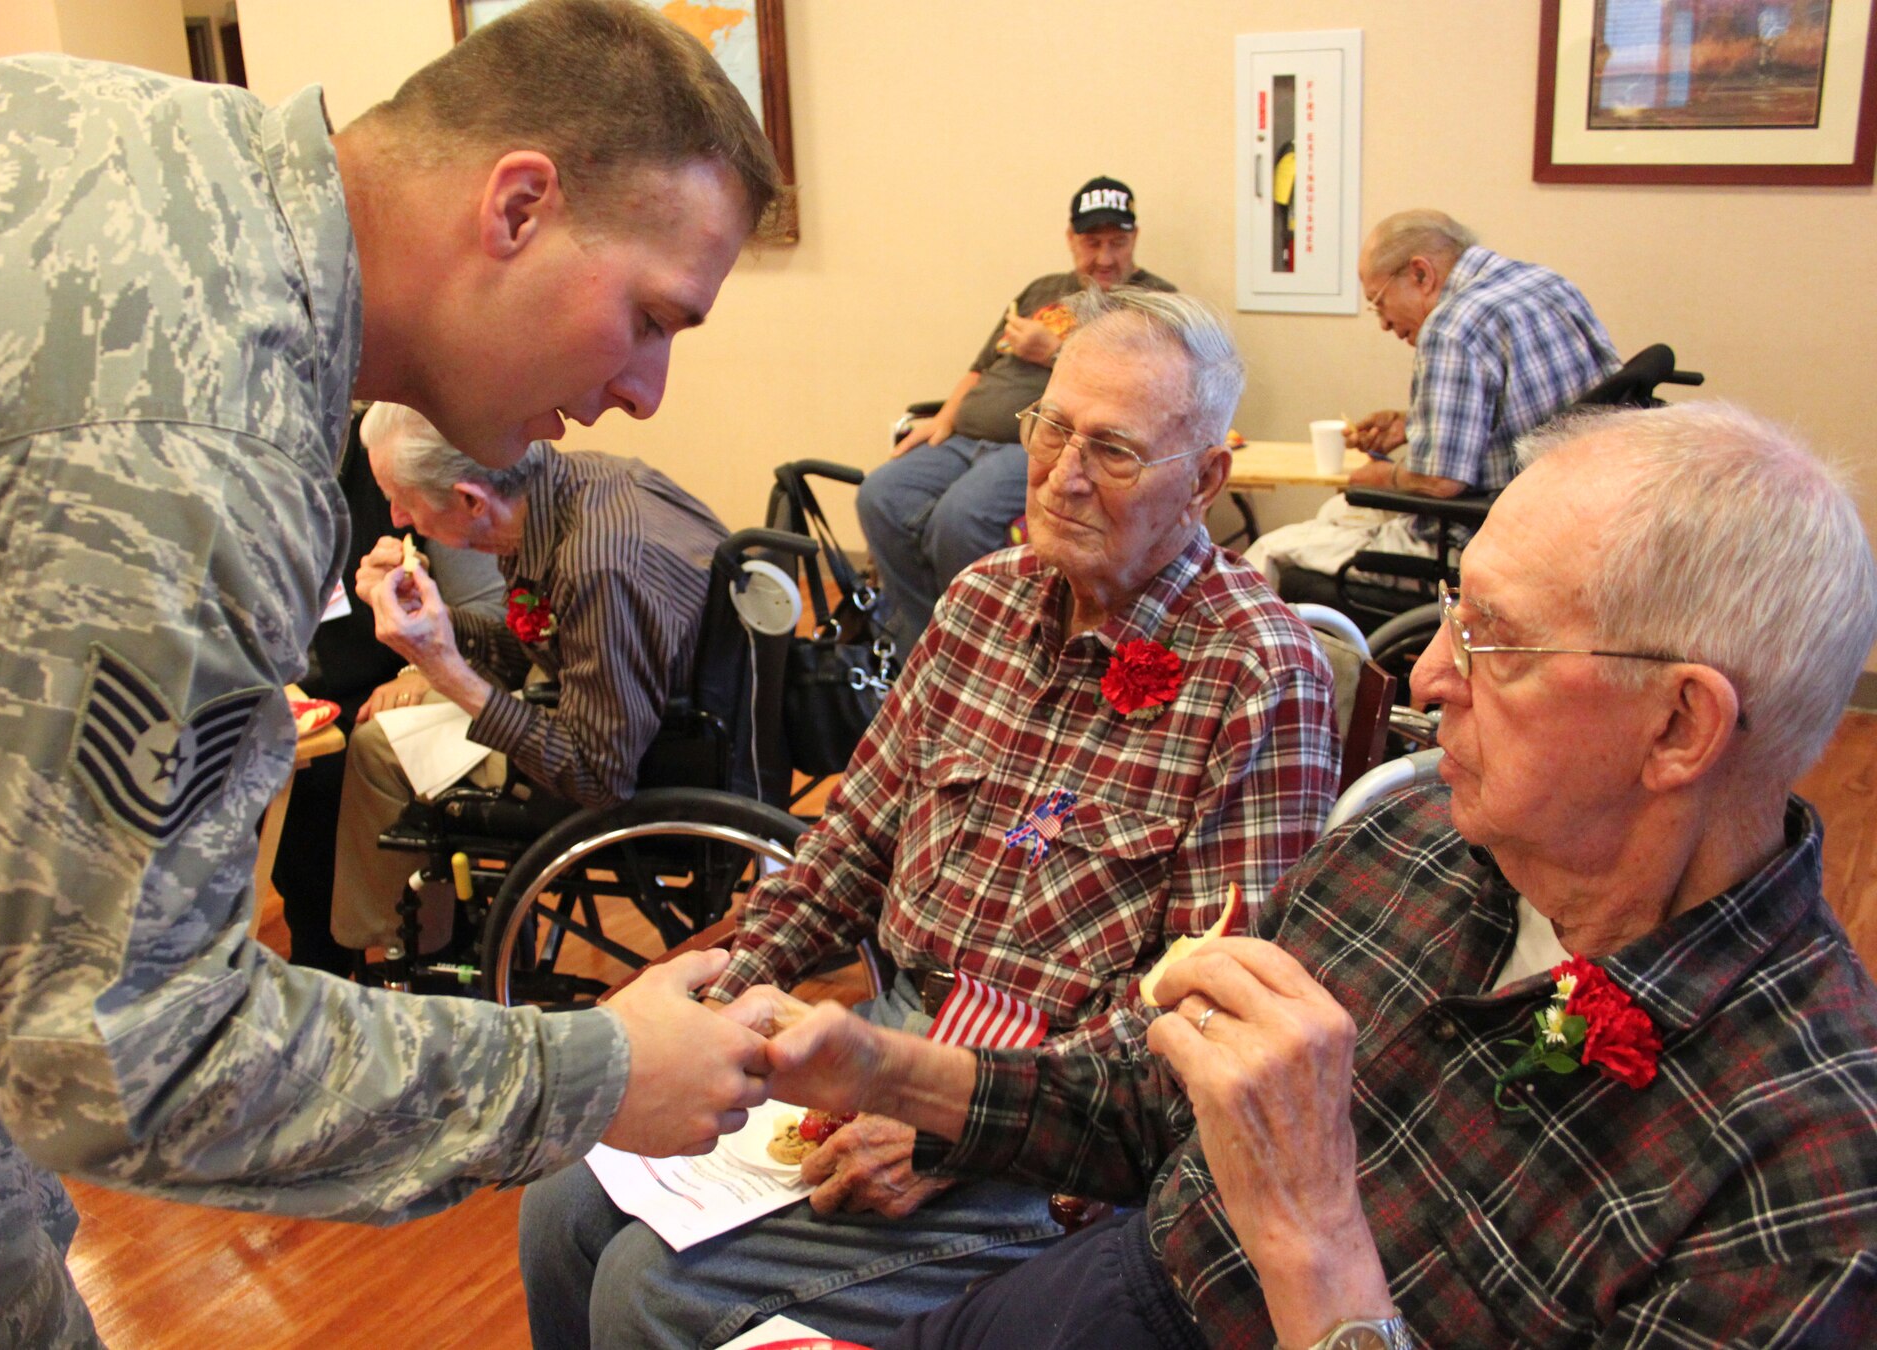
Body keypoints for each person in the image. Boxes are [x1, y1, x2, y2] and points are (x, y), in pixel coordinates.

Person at [0, 2, 784, 1342]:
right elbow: (123, 1050)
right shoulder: (190, 442)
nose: (644, 390)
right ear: (518, 206)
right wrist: (596, 1071)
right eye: (650, 318)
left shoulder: (63, 119)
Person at [761, 401, 1877, 1348]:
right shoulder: (1412, 844)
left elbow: (1290, 1213)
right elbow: (1154, 1101)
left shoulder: (1805, 1177)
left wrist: (1312, 1242)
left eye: (1494, 638)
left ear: (1677, 725)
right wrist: (881, 1068)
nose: (1427, 673)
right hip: (1110, 1289)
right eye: (1453, 613)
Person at [522, 287, 1342, 1348]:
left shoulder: (1256, 673)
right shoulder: (981, 603)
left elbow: (1200, 1023)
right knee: (559, 1208)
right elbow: (846, 849)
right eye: (1049, 430)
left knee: (653, 1292)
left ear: (1207, 479)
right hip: (884, 1037)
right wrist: (711, 1004)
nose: (1063, 474)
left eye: (1116, 451)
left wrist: (952, 1126)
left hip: (1057, 1128)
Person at [330, 401, 728, 959]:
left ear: (471, 500)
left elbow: (599, 777)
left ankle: (400, 954)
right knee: (402, 722)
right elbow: (526, 658)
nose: (395, 517)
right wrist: (441, 624)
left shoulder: (598, 566)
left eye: (402, 499)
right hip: (670, 719)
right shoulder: (582, 486)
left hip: (662, 765)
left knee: (376, 746)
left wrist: (445, 671)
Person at [857, 176, 1176, 653]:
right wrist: (944, 418)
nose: (1106, 257)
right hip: (966, 436)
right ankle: (926, 643)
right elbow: (981, 367)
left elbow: (1142, 387)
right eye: (1093, 243)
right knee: (880, 495)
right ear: (1071, 240)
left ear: (1135, 240)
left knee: (959, 520)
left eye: (1118, 243)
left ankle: (985, 650)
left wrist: (1053, 349)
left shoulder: (1153, 303)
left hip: (1040, 440)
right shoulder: (1041, 290)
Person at [1245, 209, 1618, 598]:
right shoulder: (1547, 284)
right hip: (1578, 522)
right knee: (1336, 515)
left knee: (1271, 550)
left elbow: (1439, 483)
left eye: (1379, 302)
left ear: (1420, 274)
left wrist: (1384, 477)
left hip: (1484, 541)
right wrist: (1414, 424)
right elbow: (1539, 405)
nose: (1384, 323)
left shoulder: (1453, 326)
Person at [274, 409, 505, 978]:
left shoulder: (398, 457)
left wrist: (418, 669)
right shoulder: (255, 476)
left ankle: (346, 957)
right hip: (291, 687)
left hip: (393, 680)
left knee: (323, 779)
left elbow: (487, 616)